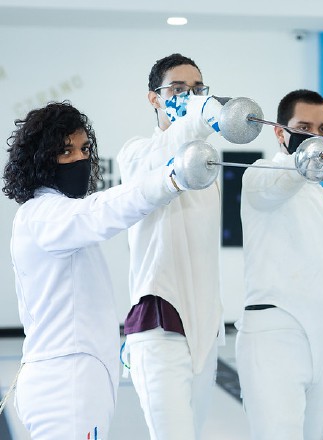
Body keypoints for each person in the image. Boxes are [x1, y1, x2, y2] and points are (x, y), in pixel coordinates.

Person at [3, 101, 186, 438]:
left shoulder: (51, 213)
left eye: (84, 148)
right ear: (40, 159)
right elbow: (102, 212)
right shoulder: (45, 214)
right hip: (65, 388)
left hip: (71, 379)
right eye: (65, 151)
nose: (79, 159)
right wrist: (169, 179)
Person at [117, 53, 226, 439]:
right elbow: (169, 156)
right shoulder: (136, 153)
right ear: (154, 98)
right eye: (178, 90)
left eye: (197, 90)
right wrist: (201, 114)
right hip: (159, 323)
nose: (190, 97)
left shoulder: (209, 167)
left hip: (205, 325)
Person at [236, 89, 323, 439]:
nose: (315, 137)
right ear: (279, 131)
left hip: (318, 341)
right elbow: (281, 181)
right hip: (274, 337)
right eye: (304, 127)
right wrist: (303, 161)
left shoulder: (322, 199)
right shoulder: (262, 174)